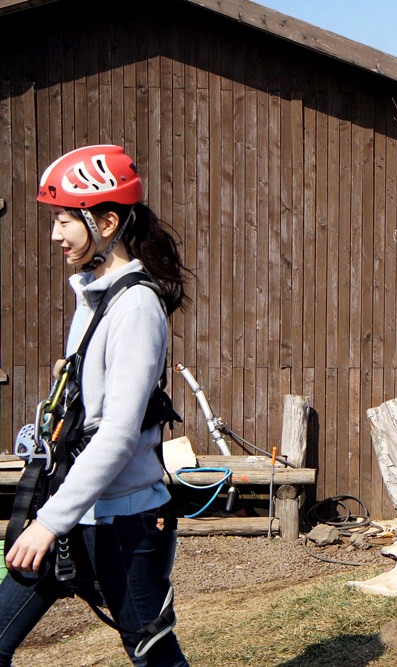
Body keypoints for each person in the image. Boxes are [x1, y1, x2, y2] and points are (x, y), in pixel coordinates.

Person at [1, 145, 189, 666]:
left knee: (153, 655)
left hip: (125, 522)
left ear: (106, 222)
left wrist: (47, 522)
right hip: (76, 511)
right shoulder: (94, 295)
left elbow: (119, 433)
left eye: (65, 220)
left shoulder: (136, 307)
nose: (55, 234)